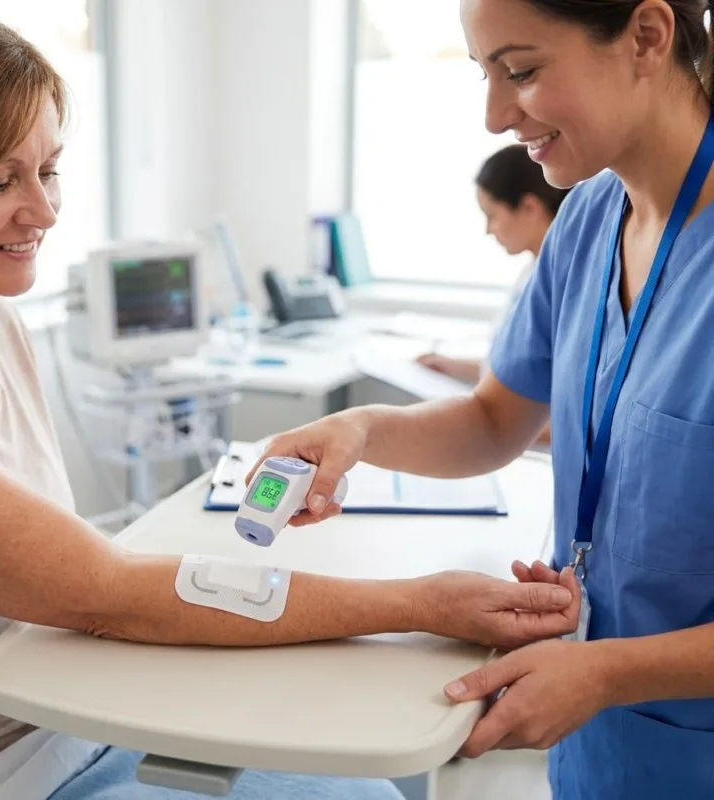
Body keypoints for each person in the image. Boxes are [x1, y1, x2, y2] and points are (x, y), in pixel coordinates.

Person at [0, 4, 580, 799]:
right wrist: (423, 604)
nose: (45, 211)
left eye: (48, 170)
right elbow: (100, 593)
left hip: (79, 711)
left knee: (370, 789)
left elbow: (77, 584)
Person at [251, 1, 714, 797]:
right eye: (484, 75)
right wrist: (361, 428)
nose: (497, 115)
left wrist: (608, 672)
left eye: (523, 71)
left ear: (646, 36)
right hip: (603, 741)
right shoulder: (587, 224)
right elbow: (495, 420)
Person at [416, 144, 569, 387]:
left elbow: (545, 385)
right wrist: (452, 366)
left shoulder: (562, 282)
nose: (488, 230)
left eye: (492, 215)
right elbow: (519, 367)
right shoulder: (532, 272)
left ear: (529, 208)